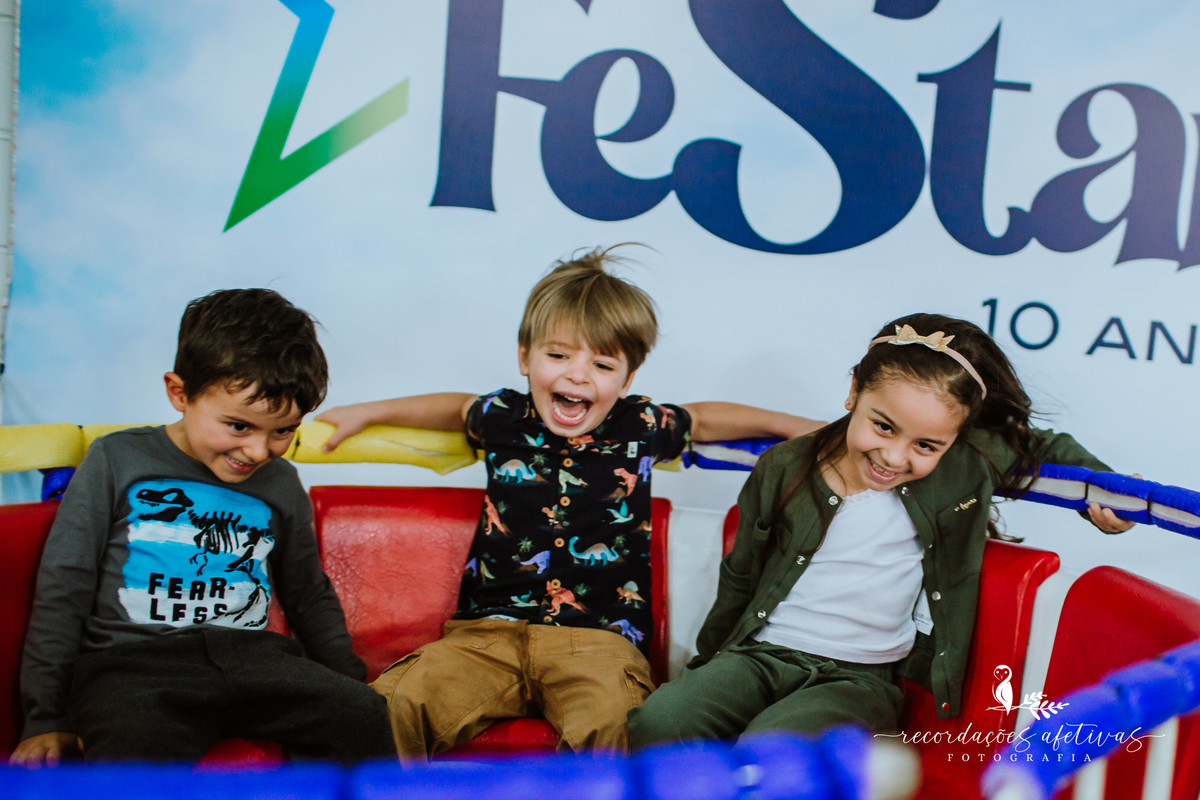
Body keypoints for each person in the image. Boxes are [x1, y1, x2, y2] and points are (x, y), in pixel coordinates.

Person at [315, 245, 823, 758]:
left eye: (602, 364)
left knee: (620, 736)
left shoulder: (639, 426)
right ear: (524, 357)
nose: (577, 375)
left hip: (599, 641)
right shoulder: (503, 417)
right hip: (484, 636)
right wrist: (367, 411)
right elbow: (451, 408)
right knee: (386, 708)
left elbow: (707, 419)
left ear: (626, 381)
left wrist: (795, 427)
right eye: (558, 355)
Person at [627, 312, 1135, 745]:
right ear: (853, 392)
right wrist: (708, 668)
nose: (894, 457)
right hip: (759, 655)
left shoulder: (964, 465)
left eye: (926, 446)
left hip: (857, 679)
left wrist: (1109, 489)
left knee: (773, 748)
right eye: (884, 426)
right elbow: (740, 576)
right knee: (662, 720)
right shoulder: (785, 466)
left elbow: (1042, 447)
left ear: (953, 440)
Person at [11, 288, 394, 765]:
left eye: (282, 431)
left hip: (255, 660)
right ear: (179, 393)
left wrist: (349, 682)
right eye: (238, 426)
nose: (258, 451)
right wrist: (46, 719)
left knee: (363, 714)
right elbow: (64, 586)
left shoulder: (280, 482)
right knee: (131, 750)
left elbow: (308, 594)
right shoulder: (117, 459)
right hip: (134, 668)